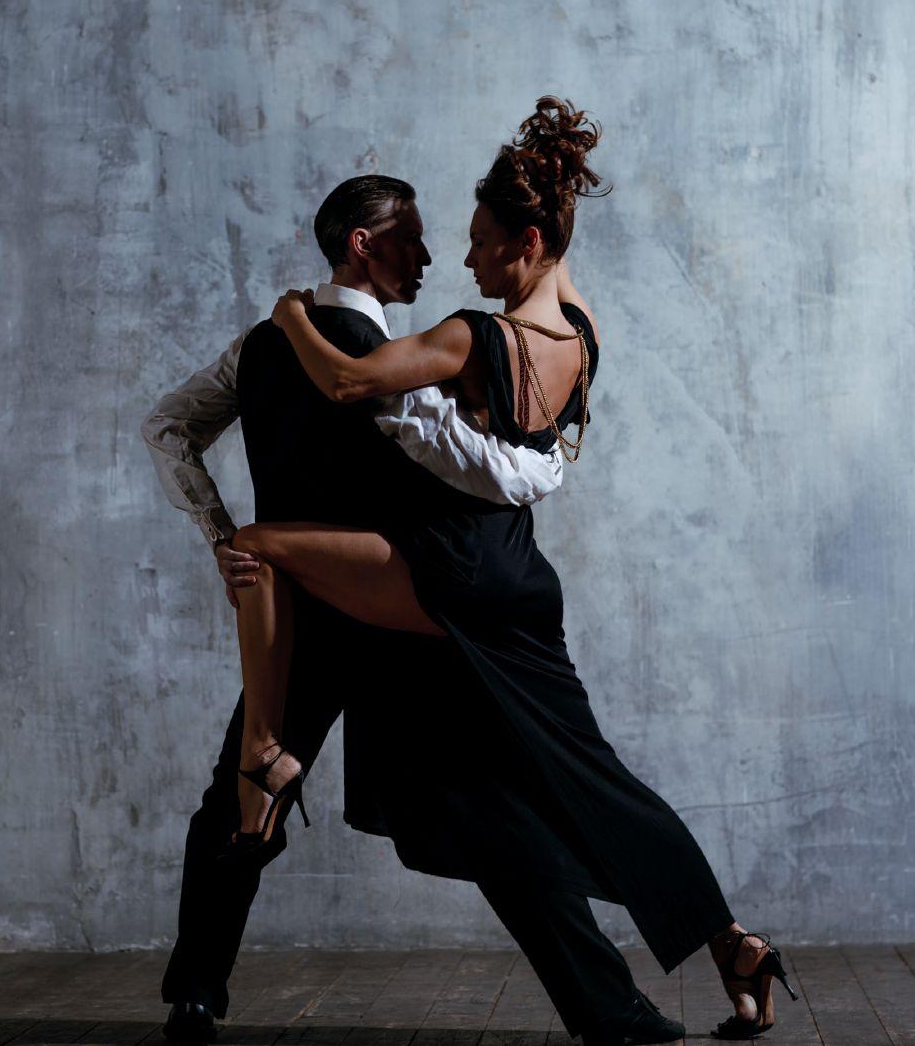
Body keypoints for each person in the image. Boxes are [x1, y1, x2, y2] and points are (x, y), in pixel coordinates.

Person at [222, 96, 798, 1044]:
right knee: (587, 782)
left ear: (529, 240)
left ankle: (263, 753)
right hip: (520, 580)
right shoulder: (582, 328)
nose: (468, 260)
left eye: (484, 242)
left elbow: (348, 380)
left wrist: (290, 312)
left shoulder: (473, 336)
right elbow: (523, 454)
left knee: (256, 540)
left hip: (456, 572)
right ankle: (732, 947)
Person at [141, 174, 568, 1041]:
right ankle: (605, 983)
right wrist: (548, 461)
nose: (428, 252)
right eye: (408, 235)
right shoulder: (390, 363)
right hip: (398, 610)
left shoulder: (263, 344)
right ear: (362, 245)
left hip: (295, 619)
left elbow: (166, 426)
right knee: (499, 800)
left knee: (239, 792)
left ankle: (196, 993)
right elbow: (473, 469)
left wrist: (224, 535)